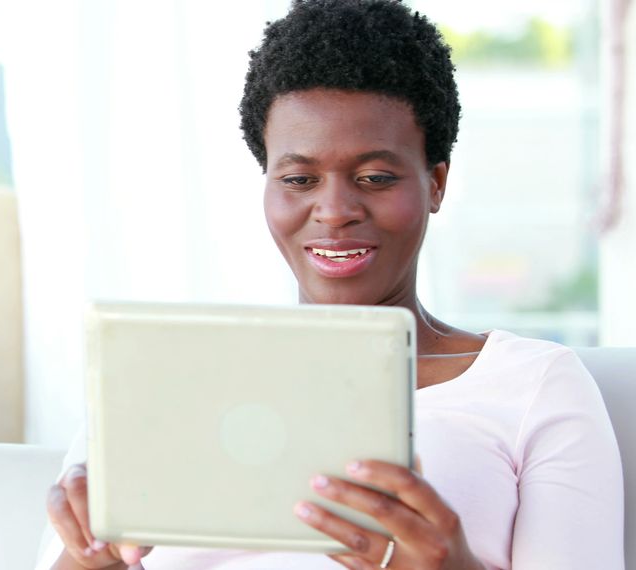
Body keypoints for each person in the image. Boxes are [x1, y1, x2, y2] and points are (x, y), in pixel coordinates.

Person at [36, 0, 625, 568]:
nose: (335, 210)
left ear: (436, 183)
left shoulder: (531, 387)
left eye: (374, 177)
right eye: (298, 178)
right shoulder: (157, 376)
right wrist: (88, 562)